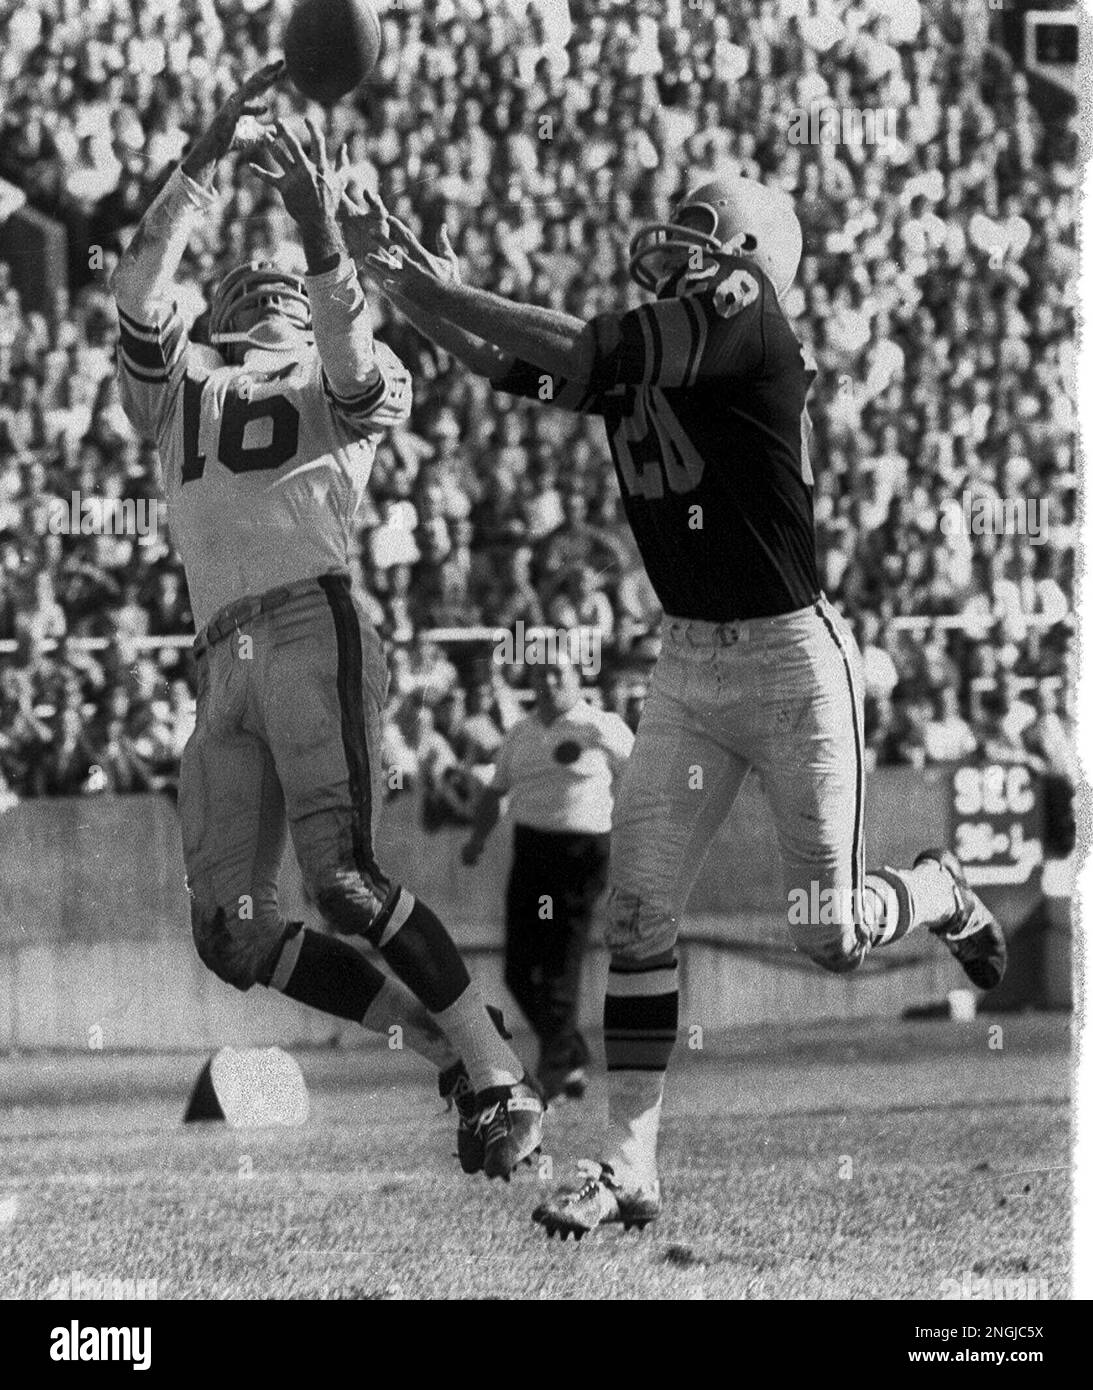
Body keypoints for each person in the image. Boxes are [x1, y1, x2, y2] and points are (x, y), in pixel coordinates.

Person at [346, 172, 1008, 1236]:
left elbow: (588, 349)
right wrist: (405, 278)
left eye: (703, 237)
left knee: (829, 936)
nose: (678, 252)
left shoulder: (748, 325)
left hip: (794, 660)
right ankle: (625, 1164)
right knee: (640, 913)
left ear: (749, 258)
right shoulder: (670, 344)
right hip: (687, 666)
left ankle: (931, 887)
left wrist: (436, 284)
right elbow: (514, 363)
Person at [109, 64, 542, 1183]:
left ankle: (497, 1075)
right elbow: (138, 290)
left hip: (312, 624)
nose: (261, 293)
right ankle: (447, 1050)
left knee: (344, 880)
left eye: (284, 284)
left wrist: (315, 234)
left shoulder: (337, 362)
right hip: (222, 656)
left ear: (302, 297)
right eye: (250, 284)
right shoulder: (182, 384)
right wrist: (200, 163)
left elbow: (352, 362)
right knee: (232, 931)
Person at [463, 654, 633, 1101]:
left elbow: (640, 778)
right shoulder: (519, 734)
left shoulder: (602, 727)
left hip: (581, 855)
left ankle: (553, 1075)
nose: (551, 681)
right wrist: (478, 840)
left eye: (560, 672)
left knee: (559, 963)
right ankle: (571, 1053)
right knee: (518, 969)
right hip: (532, 851)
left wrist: (638, 833)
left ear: (578, 679)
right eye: (542, 674)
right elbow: (496, 792)